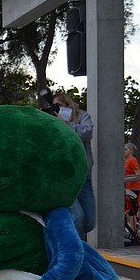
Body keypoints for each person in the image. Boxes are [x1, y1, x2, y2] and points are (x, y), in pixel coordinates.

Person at [53, 91, 95, 235]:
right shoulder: (54, 121)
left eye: (58, 105)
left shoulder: (83, 116)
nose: (56, 109)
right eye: (54, 106)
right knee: (77, 217)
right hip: (65, 176)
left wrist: (66, 124)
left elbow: (88, 132)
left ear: (67, 104)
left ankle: (66, 236)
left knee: (89, 222)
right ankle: (75, 249)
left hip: (83, 174)